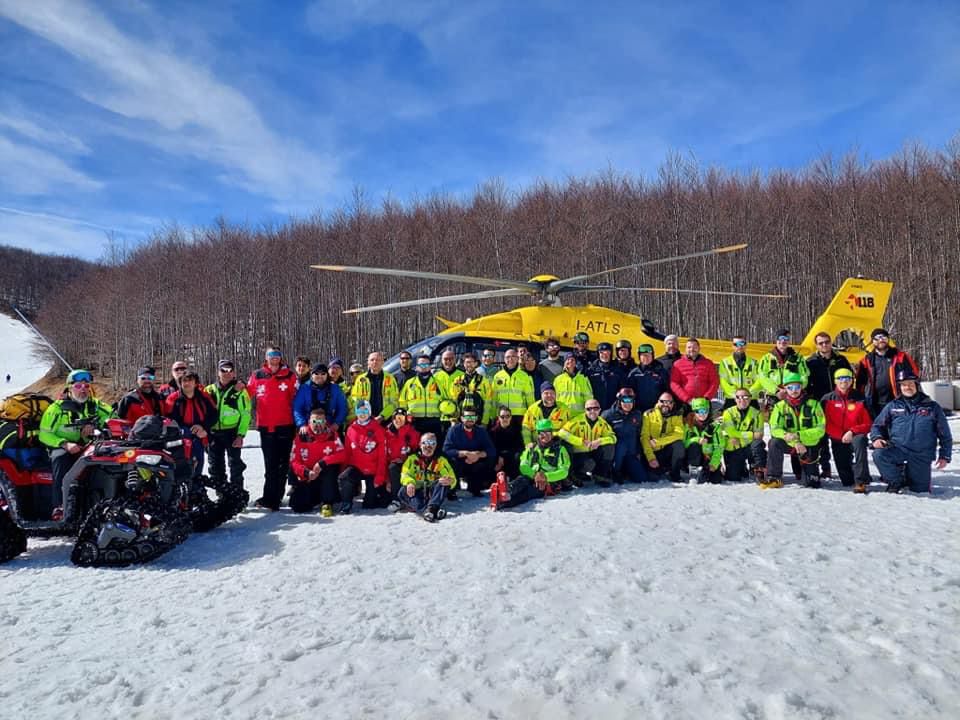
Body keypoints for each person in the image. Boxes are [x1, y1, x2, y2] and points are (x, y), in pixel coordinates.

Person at [38, 369, 112, 519]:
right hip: (62, 447)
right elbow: (44, 434)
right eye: (78, 386)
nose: (83, 389)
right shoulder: (56, 409)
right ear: (69, 388)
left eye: (86, 386)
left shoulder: (96, 406)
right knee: (60, 458)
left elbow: (113, 418)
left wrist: (98, 429)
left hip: (90, 446)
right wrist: (64, 444)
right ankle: (60, 506)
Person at [870, 369, 951, 494]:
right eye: (904, 384)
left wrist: (944, 456)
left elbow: (945, 434)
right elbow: (877, 425)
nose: (907, 387)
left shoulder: (932, 407)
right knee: (879, 454)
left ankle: (911, 474)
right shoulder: (893, 406)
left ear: (916, 385)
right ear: (900, 387)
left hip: (921, 454)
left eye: (911, 384)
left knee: (920, 490)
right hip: (898, 449)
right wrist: (877, 438)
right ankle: (896, 480)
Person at [246, 345, 298, 511]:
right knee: (270, 465)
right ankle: (269, 497)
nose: (274, 358)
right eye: (271, 355)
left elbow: (297, 399)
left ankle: (276, 498)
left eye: (277, 355)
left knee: (283, 464)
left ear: (280, 357)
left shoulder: (289, 375)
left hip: (286, 425)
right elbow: (247, 394)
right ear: (266, 357)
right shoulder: (258, 375)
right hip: (266, 426)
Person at [491, 418, 573, 510]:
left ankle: (505, 502)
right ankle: (507, 490)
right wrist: (535, 475)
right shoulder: (532, 448)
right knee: (522, 479)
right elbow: (523, 466)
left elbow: (564, 471)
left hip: (548, 483)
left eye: (548, 432)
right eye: (542, 433)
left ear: (552, 433)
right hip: (532, 476)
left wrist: (545, 477)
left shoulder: (560, 450)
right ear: (537, 434)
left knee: (530, 492)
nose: (545, 435)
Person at [765, 372, 826, 489]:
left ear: (802, 387)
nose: (794, 390)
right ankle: (774, 477)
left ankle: (806, 471)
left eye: (797, 387)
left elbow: (820, 429)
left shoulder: (814, 405)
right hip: (789, 443)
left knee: (812, 483)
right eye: (790, 387)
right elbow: (775, 428)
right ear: (785, 389)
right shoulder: (779, 406)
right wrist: (792, 440)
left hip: (808, 444)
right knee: (774, 443)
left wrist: (799, 436)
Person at [806, 331, 853, 479]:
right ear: (817, 345)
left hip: (839, 402)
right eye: (821, 343)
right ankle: (825, 467)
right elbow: (806, 383)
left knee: (841, 437)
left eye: (827, 342)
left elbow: (850, 379)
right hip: (819, 402)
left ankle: (846, 466)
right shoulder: (810, 361)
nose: (824, 345)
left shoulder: (841, 359)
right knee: (821, 437)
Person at [821, 368, 872, 492]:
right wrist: (840, 435)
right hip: (837, 437)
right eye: (840, 378)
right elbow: (823, 423)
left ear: (851, 381)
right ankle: (853, 472)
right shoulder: (827, 399)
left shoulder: (860, 398)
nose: (844, 382)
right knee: (846, 480)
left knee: (860, 442)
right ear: (835, 381)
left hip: (855, 434)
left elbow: (868, 422)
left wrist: (852, 432)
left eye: (847, 379)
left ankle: (861, 481)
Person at [164, 370, 218, 484]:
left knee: (198, 464)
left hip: (199, 436)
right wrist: (184, 430)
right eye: (184, 381)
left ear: (196, 382)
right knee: (180, 468)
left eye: (190, 380)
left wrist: (204, 428)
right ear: (180, 383)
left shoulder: (204, 397)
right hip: (179, 439)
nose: (187, 383)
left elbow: (214, 415)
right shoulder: (173, 399)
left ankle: (196, 490)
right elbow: (168, 419)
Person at [205, 359, 251, 490]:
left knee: (235, 465)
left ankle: (237, 495)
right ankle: (221, 494)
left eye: (230, 370)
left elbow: (246, 414)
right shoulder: (209, 390)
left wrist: (241, 435)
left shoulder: (241, 391)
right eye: (223, 370)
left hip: (232, 433)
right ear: (218, 373)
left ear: (234, 373)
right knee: (215, 466)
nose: (227, 373)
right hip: (213, 433)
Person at [288, 407, 343, 515]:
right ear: (309, 421)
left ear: (325, 422)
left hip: (325, 475)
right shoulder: (301, 436)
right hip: (308, 476)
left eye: (321, 421)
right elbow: (294, 461)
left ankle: (327, 502)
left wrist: (322, 463)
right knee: (298, 507)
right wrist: (306, 472)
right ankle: (314, 497)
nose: (318, 424)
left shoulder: (332, 435)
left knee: (330, 468)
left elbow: (342, 454)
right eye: (314, 421)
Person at [855, 328, 920, 417]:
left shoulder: (901, 356)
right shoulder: (867, 360)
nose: (881, 340)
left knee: (898, 425)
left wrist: (912, 395)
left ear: (888, 339)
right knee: (878, 427)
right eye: (877, 338)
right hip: (875, 403)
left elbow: (914, 375)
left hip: (898, 399)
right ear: (873, 341)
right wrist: (860, 399)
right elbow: (860, 383)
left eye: (884, 338)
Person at [337, 400, 388, 511]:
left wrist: (380, 476)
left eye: (365, 410)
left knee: (369, 505)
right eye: (359, 411)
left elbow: (382, 456)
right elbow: (347, 452)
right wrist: (343, 470)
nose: (362, 414)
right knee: (344, 478)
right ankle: (346, 503)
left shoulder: (378, 429)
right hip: (357, 467)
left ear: (369, 412)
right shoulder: (351, 429)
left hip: (373, 469)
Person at [393, 433, 456, 521]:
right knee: (402, 491)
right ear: (420, 444)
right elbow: (405, 474)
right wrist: (410, 483)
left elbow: (451, 477)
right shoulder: (412, 459)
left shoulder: (441, 460)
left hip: (433, 494)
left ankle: (431, 508)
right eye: (425, 443)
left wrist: (450, 481)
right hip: (416, 492)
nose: (428, 446)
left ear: (436, 446)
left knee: (442, 482)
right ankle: (431, 511)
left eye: (432, 443)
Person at [557, 399, 616, 486]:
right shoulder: (577, 420)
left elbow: (613, 437)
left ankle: (600, 475)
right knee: (588, 463)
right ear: (585, 410)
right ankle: (575, 474)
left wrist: (599, 441)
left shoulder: (602, 423)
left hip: (593, 451)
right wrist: (580, 441)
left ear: (600, 410)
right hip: (579, 454)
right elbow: (562, 433)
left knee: (609, 447)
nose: (592, 411)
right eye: (589, 409)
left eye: (595, 408)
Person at [442, 406, 496, 497]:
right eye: (467, 417)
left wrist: (478, 455)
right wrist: (465, 453)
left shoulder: (481, 431)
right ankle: (453, 488)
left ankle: (475, 487)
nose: (470, 419)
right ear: (462, 418)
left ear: (476, 419)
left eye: (472, 417)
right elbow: (446, 450)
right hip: (459, 462)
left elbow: (491, 450)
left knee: (489, 459)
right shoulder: (454, 430)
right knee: (451, 461)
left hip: (475, 462)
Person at [720, 388, 767, 483]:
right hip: (734, 448)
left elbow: (759, 436)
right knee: (732, 477)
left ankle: (758, 469)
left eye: (745, 397)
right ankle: (742, 467)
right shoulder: (728, 413)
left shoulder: (757, 413)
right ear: (735, 399)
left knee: (758, 444)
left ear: (750, 398)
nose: (742, 400)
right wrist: (751, 434)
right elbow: (731, 432)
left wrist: (740, 438)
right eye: (738, 397)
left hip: (749, 447)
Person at [601, 387, 647, 483]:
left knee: (641, 478)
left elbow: (640, 435)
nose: (628, 404)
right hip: (616, 454)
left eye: (631, 401)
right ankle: (615, 470)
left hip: (630, 453)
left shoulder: (637, 415)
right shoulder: (608, 415)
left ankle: (627, 469)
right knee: (621, 444)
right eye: (624, 400)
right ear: (619, 401)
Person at [756, 329, 810, 403]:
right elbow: (762, 377)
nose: (783, 341)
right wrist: (776, 390)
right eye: (780, 338)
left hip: (794, 395)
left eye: (786, 339)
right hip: (773, 396)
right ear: (776, 340)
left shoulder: (798, 358)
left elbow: (804, 376)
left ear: (789, 341)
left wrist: (793, 390)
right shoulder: (766, 358)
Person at [640, 392, 685, 482]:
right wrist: (651, 458)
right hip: (653, 452)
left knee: (679, 445)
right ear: (658, 402)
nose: (666, 405)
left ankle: (675, 473)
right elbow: (644, 437)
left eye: (669, 402)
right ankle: (659, 469)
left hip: (666, 450)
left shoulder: (677, 415)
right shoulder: (648, 414)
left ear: (673, 404)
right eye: (663, 401)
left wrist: (659, 441)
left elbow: (680, 434)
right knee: (652, 478)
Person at [399, 355, 445, 438]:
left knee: (434, 447)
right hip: (415, 422)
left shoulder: (438, 383)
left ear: (430, 367)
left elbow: (445, 401)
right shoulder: (410, 383)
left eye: (426, 365)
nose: (424, 367)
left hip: (434, 422)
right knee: (414, 447)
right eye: (421, 365)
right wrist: (405, 416)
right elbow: (402, 402)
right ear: (416, 367)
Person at [293, 363, 347, 432]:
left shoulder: (335, 389)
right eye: (317, 374)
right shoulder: (304, 388)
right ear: (312, 375)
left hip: (330, 426)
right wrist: (302, 424)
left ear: (327, 375)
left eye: (323, 374)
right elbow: (297, 408)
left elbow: (342, 408)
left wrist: (337, 423)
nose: (320, 376)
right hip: (308, 426)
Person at [669, 338, 720, 408]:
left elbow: (714, 382)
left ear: (699, 348)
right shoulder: (678, 364)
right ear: (685, 349)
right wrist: (687, 399)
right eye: (689, 347)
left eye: (694, 347)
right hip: (685, 403)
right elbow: (674, 383)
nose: (692, 349)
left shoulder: (708, 363)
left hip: (704, 403)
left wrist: (706, 398)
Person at [351, 351, 400, 423]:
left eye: (378, 360)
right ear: (368, 363)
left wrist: (382, 416)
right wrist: (363, 414)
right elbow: (355, 399)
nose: (375, 362)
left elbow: (394, 401)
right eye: (372, 360)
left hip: (385, 419)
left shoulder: (390, 378)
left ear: (383, 362)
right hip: (365, 418)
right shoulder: (361, 379)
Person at [683, 398, 723, 484]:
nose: (702, 414)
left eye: (705, 411)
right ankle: (693, 473)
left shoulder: (714, 426)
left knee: (716, 480)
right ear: (694, 412)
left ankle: (706, 471)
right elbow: (684, 443)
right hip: (692, 456)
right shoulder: (688, 425)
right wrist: (697, 439)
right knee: (694, 445)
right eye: (699, 411)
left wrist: (714, 463)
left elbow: (719, 446)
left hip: (708, 457)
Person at [385, 407, 420, 502]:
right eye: (396, 418)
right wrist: (387, 480)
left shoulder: (413, 433)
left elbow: (418, 454)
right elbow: (383, 458)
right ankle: (396, 499)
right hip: (390, 469)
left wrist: (405, 460)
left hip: (408, 466)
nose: (399, 421)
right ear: (392, 418)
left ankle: (407, 498)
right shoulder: (385, 434)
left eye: (402, 418)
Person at [521, 381, 569, 447]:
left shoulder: (564, 409)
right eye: (546, 393)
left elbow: (569, 429)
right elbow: (526, 428)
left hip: (557, 445)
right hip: (536, 446)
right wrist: (528, 443)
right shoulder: (532, 409)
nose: (549, 395)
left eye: (552, 393)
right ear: (541, 395)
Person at [450, 352, 494, 423]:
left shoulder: (484, 381)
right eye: (467, 362)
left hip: (478, 419)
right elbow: (454, 401)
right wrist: (454, 420)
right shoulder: (457, 381)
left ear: (476, 364)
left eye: (471, 362)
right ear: (464, 364)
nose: (469, 365)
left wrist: (485, 421)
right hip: (461, 419)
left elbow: (487, 403)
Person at [492, 347, 535, 420]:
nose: (510, 359)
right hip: (502, 415)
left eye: (513, 357)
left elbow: (530, 398)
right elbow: (494, 398)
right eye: (508, 357)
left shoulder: (524, 376)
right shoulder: (498, 376)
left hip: (519, 415)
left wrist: (532, 416)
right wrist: (493, 415)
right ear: (504, 359)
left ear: (517, 359)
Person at [718, 336, 761, 408]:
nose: (740, 346)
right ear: (732, 346)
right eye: (736, 344)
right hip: (732, 399)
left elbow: (760, 380)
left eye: (742, 343)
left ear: (746, 345)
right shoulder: (725, 362)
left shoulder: (754, 363)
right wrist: (737, 395)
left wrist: (747, 394)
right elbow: (723, 381)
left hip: (750, 399)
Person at [626, 343, 669, 412]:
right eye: (643, 355)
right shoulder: (634, 373)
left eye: (648, 355)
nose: (646, 358)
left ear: (652, 356)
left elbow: (666, 390)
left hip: (657, 410)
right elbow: (629, 393)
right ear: (639, 357)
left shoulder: (660, 371)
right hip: (638, 410)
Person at [553, 352, 593, 416]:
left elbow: (588, 397)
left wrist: (589, 412)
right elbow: (554, 397)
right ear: (564, 363)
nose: (570, 361)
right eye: (568, 359)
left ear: (575, 363)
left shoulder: (583, 378)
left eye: (572, 360)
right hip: (562, 415)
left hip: (579, 415)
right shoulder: (558, 379)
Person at [489, 405, 524, 479]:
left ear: (511, 417)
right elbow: (491, 448)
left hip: (510, 457)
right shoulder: (493, 432)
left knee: (517, 457)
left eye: (507, 416)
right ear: (498, 418)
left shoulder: (516, 430)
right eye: (502, 417)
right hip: (497, 458)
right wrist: (499, 456)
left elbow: (520, 447)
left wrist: (503, 456)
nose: (505, 419)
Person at [586, 342, 620, 410]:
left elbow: (621, 389)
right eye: (602, 352)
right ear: (598, 354)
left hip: (612, 409)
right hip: (595, 409)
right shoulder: (591, 370)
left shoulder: (617, 370)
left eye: (607, 352)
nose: (604, 355)